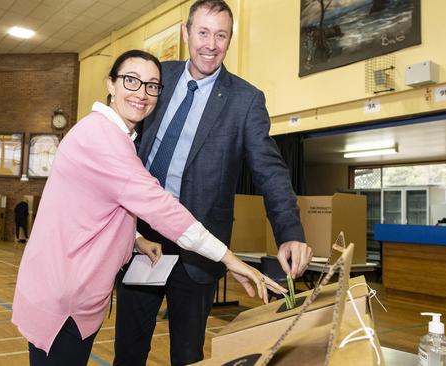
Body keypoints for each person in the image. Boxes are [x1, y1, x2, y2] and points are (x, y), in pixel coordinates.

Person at [11, 49, 286, 366]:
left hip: (76, 294)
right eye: (131, 81)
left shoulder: (113, 133)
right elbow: (162, 208)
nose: (141, 93)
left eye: (152, 85)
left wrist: (136, 238)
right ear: (111, 84)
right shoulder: (102, 139)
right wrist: (232, 261)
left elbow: (97, 208)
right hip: (64, 299)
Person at [113, 2, 314, 365]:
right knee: (129, 350)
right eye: (203, 32)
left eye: (221, 35)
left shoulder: (245, 100)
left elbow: (270, 170)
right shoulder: (159, 79)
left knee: (188, 355)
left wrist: (290, 231)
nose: (211, 44)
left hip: (200, 250)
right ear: (186, 34)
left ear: (230, 39)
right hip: (141, 236)